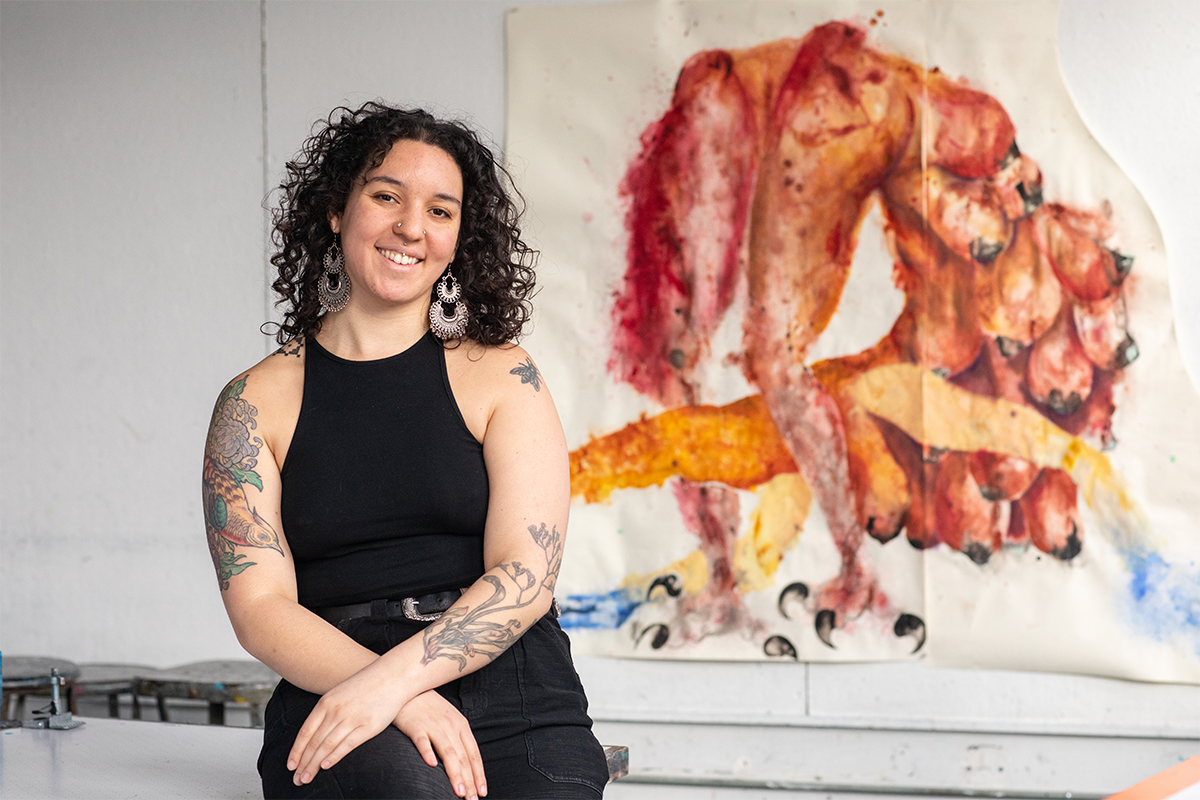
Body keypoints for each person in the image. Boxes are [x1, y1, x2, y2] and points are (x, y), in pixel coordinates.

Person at [202, 102, 609, 800]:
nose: (411, 227)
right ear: (337, 209)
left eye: (441, 210)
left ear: (459, 238)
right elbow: (261, 607)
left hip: (510, 673)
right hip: (337, 672)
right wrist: (386, 694)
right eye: (386, 195)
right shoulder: (252, 403)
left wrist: (400, 682)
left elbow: (525, 574)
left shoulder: (503, 375)